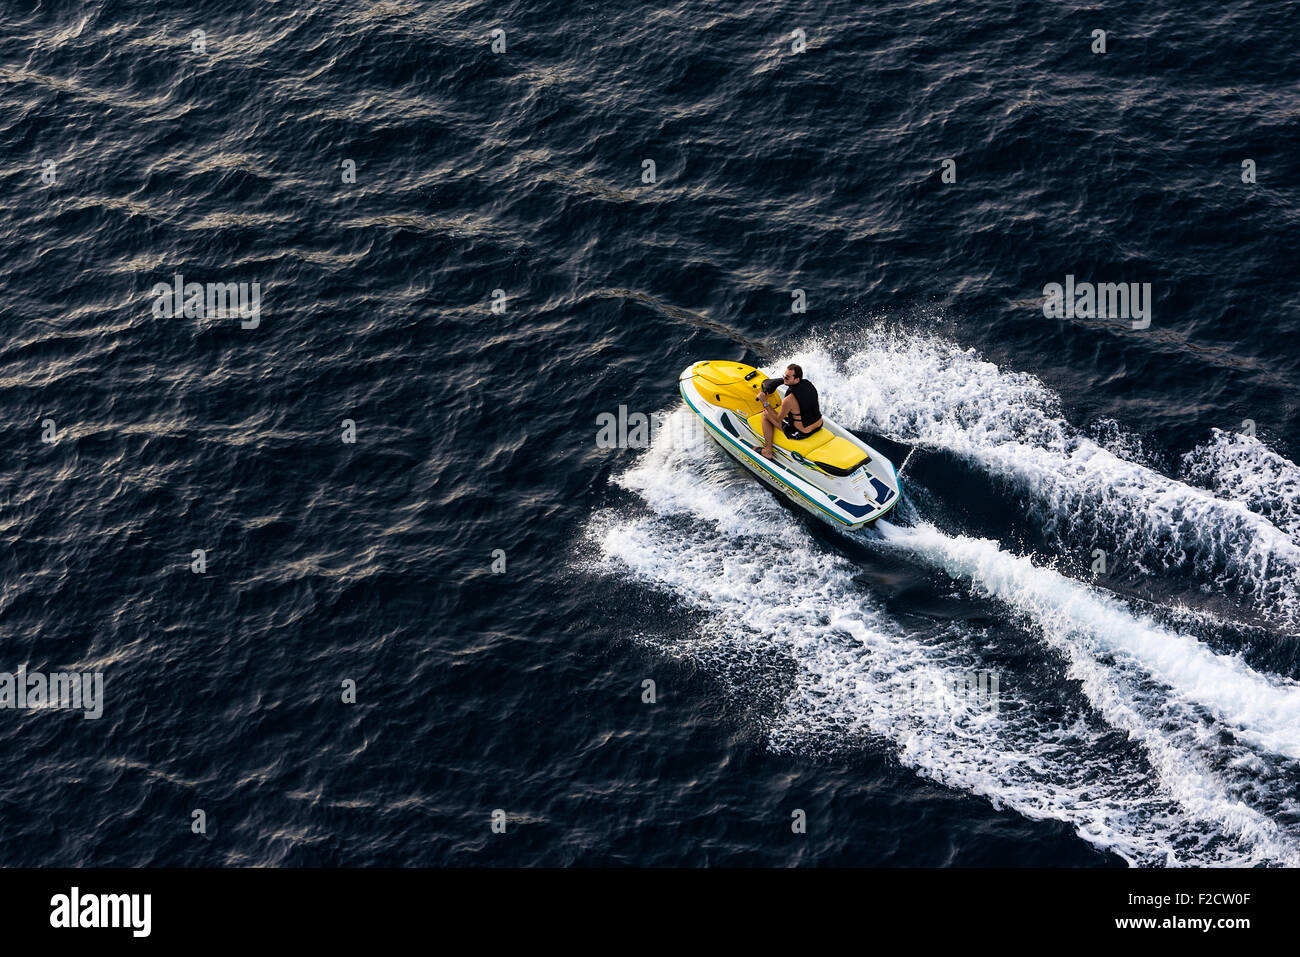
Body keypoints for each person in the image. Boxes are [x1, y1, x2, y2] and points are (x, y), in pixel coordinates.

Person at [755, 364, 822, 459]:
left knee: (766, 414)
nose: (784, 379)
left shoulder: (789, 399)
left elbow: (778, 419)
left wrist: (764, 402)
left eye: (787, 377)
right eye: (784, 376)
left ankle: (767, 451)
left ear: (797, 379)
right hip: (819, 425)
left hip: (801, 432)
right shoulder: (808, 384)